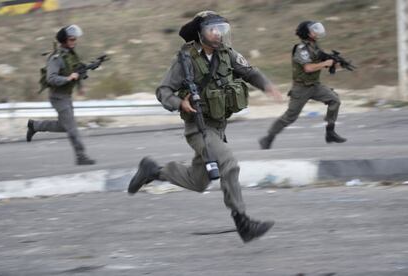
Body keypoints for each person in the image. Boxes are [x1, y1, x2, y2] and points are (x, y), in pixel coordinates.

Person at [128, 11, 282, 243]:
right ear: (201, 33)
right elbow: (163, 91)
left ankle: (153, 171)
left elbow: (250, 73)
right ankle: (242, 222)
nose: (218, 33)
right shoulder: (186, 60)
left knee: (198, 181)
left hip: (218, 128)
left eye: (221, 29)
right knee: (228, 162)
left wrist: (268, 86)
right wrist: (180, 102)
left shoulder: (227, 55)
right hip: (197, 128)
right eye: (212, 29)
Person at [259, 21, 347, 150]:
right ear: (306, 33)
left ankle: (330, 132)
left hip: (315, 86)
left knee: (334, 100)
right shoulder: (301, 49)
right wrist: (325, 63)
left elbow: (323, 60)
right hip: (301, 88)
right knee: (289, 117)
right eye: (313, 30)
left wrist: (337, 63)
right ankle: (268, 138)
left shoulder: (315, 46)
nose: (316, 32)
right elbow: (308, 68)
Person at [26, 24, 95, 165]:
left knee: (64, 126)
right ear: (64, 40)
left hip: (67, 96)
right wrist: (68, 78)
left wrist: (81, 81)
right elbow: (50, 78)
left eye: (75, 39)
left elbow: (77, 71)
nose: (74, 42)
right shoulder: (56, 58)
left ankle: (35, 126)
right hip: (57, 97)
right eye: (71, 39)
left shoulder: (71, 55)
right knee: (72, 128)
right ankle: (81, 156)